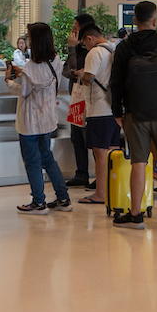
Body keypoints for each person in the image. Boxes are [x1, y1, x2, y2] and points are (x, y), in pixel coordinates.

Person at [109, 0, 157, 229]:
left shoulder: (124, 47)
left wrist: (117, 112)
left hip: (135, 114)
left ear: (134, 21)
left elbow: (116, 83)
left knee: (139, 164)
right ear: (155, 20)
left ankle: (136, 217)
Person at [9, 21, 72, 213]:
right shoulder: (56, 61)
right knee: (47, 158)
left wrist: (9, 81)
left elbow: (25, 92)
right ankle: (63, 198)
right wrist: (23, 74)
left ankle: (39, 202)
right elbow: (45, 83)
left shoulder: (30, 67)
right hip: (47, 118)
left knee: (32, 161)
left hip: (29, 121)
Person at [74, 24, 120, 206]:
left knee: (100, 153)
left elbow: (89, 79)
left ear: (89, 38)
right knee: (113, 151)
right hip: (113, 108)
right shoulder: (114, 48)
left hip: (99, 109)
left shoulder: (94, 53)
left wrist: (80, 74)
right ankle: (113, 189)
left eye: (84, 43)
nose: (85, 46)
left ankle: (100, 193)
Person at [64, 14, 95, 190]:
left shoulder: (92, 51)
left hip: (90, 101)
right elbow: (68, 72)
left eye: (75, 29)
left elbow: (76, 71)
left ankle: (99, 177)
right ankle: (81, 174)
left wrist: (72, 51)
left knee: (93, 140)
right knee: (76, 138)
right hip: (76, 100)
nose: (72, 33)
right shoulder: (77, 50)